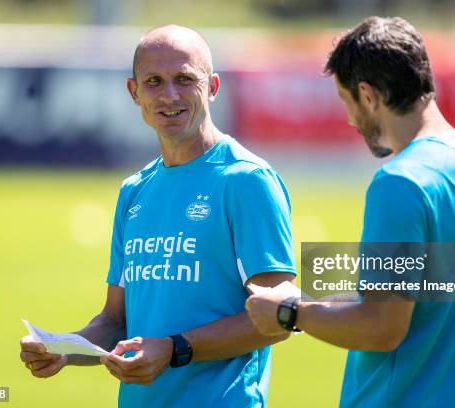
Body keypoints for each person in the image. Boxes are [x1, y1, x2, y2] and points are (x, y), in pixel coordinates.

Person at [246, 16, 455, 407]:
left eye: (347, 102)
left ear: (368, 94)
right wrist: (327, 299)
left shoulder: (400, 182)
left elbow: (383, 327)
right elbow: (448, 288)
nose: (349, 119)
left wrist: (292, 312)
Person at [19, 25, 296, 407]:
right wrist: (65, 350)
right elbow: (116, 321)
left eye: (185, 79)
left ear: (212, 87)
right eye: (154, 81)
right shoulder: (135, 190)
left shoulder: (247, 181)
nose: (169, 96)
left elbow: (279, 318)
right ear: (134, 92)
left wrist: (175, 349)